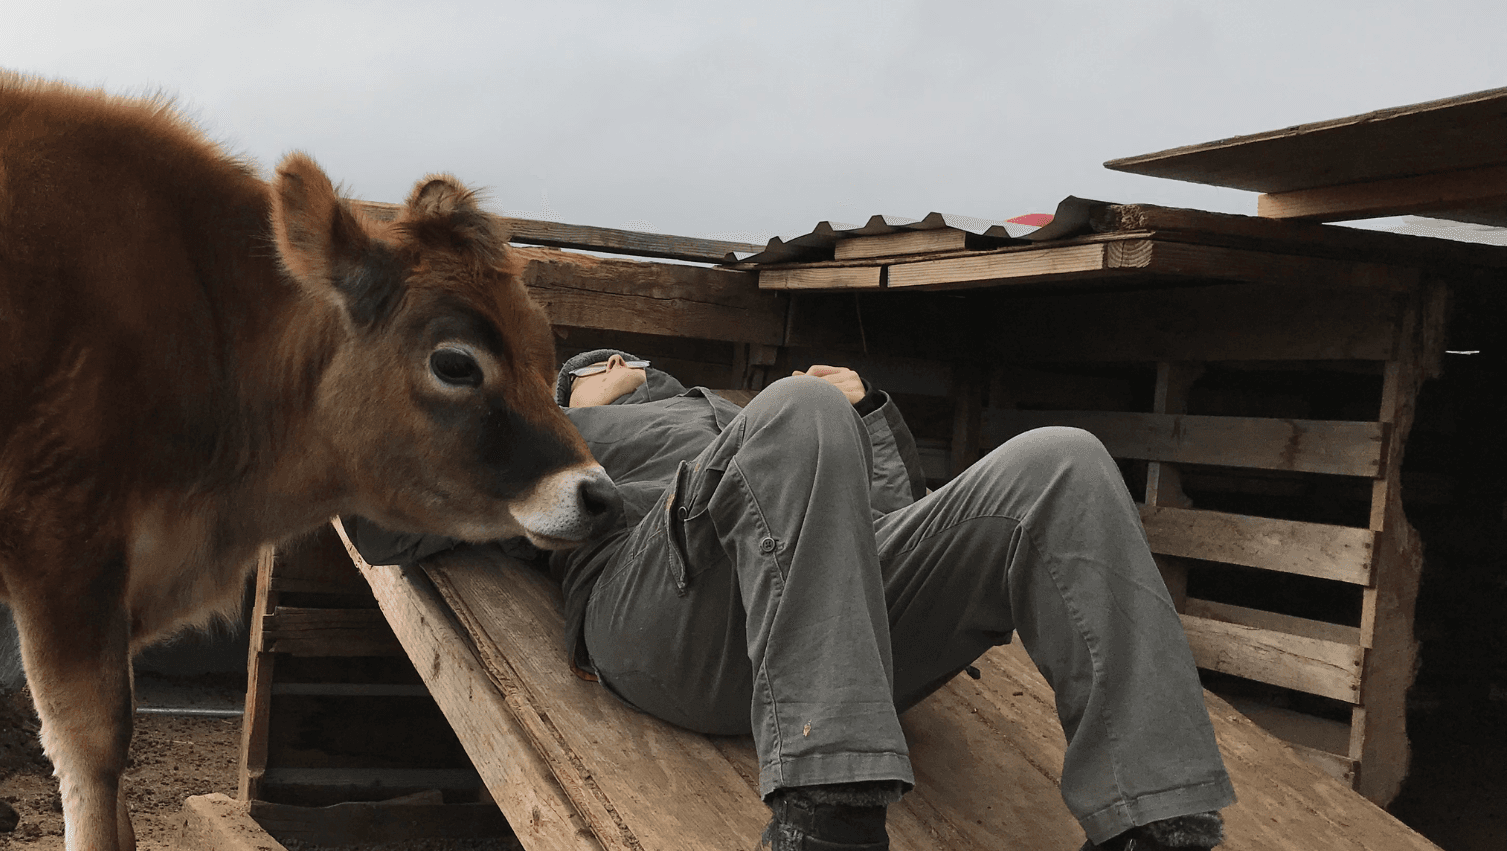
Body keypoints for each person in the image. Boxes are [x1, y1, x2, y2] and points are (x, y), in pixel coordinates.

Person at [353, 349, 1235, 851]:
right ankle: (830, 820)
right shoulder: (550, 437)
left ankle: (1157, 825)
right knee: (799, 408)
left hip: (835, 624)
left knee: (1061, 459)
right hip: (669, 614)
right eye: (600, 360)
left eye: (631, 357)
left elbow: (897, 521)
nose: (623, 364)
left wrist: (869, 414)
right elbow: (386, 531)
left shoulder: (755, 412)